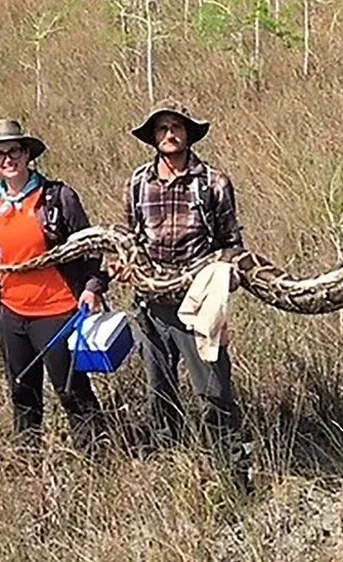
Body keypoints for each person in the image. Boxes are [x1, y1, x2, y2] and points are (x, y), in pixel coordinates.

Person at [0, 119, 107, 454]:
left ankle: (99, 459)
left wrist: (92, 287)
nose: (6, 159)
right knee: (22, 391)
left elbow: (92, 248)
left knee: (71, 389)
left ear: (27, 153)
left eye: (13, 150)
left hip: (58, 312)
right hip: (11, 315)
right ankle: (29, 461)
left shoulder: (58, 197)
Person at [123, 98, 251, 491]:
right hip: (151, 304)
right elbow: (130, 238)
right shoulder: (138, 182)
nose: (169, 135)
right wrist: (122, 265)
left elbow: (232, 243)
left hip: (199, 305)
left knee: (212, 390)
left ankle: (233, 473)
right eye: (161, 129)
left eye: (176, 127)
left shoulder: (213, 182)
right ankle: (171, 471)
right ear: (153, 137)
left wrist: (226, 273)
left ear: (189, 133)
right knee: (158, 392)